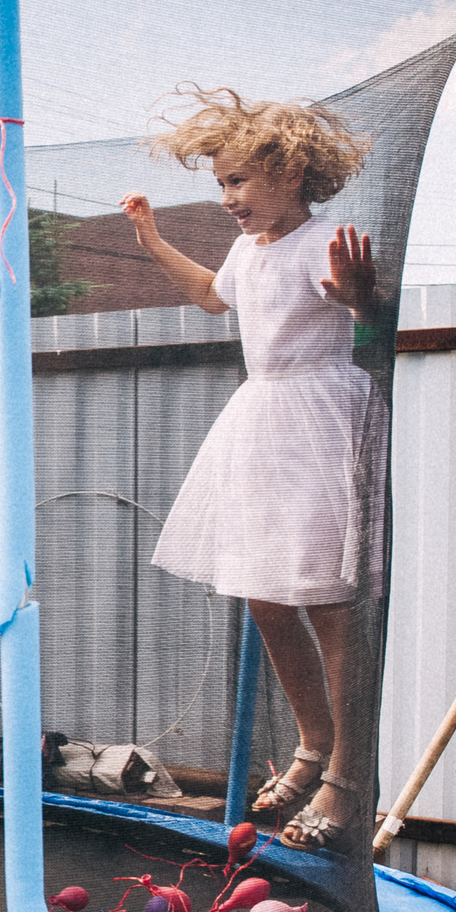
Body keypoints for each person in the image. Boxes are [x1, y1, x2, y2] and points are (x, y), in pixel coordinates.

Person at [120, 87, 380, 853]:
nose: (229, 197)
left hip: (320, 417)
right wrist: (152, 242)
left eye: (239, 181)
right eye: (222, 183)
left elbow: (363, 308)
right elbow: (210, 296)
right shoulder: (249, 248)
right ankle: (312, 741)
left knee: (328, 601)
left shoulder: (323, 239)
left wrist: (361, 297)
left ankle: (348, 777)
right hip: (260, 421)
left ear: (292, 174)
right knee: (265, 596)